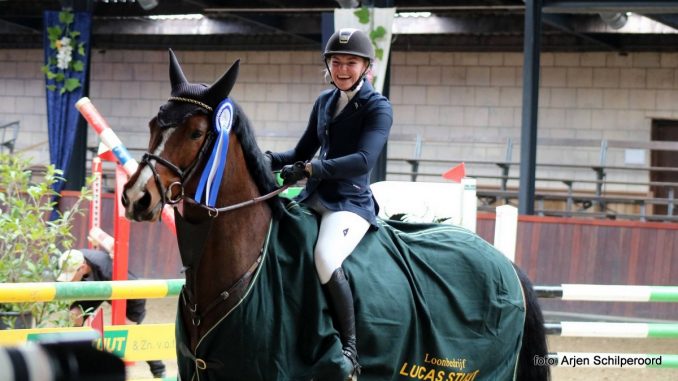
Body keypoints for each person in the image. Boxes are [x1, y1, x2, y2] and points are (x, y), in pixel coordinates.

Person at [267, 27, 393, 378]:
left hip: (350, 202)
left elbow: (364, 160)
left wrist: (312, 168)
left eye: (350, 63)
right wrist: (266, 159)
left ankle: (350, 348)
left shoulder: (378, 106)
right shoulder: (324, 101)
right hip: (314, 196)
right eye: (336, 62)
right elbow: (301, 150)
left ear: (366, 66)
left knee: (324, 257)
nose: (342, 69)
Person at [57, 249, 167, 379]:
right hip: (95, 288)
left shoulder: (108, 270)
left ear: (82, 267)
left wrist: (132, 319)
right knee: (74, 316)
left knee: (129, 332)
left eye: (70, 276)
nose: (68, 280)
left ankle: (158, 369)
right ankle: (76, 359)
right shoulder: (72, 257)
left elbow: (138, 293)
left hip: (131, 296)